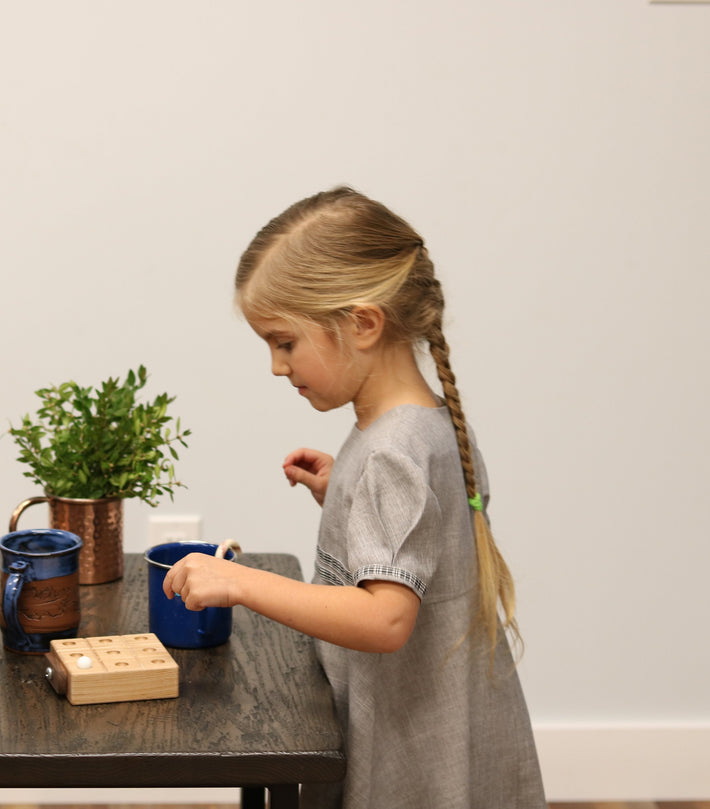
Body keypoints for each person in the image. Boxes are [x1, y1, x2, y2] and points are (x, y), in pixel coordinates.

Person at [163, 187, 545, 808]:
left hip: (409, 737)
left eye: (285, 342)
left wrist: (241, 582)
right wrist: (343, 492)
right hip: (444, 715)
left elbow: (385, 620)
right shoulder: (422, 425)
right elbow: (428, 537)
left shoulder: (391, 451)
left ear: (363, 324)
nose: (277, 366)